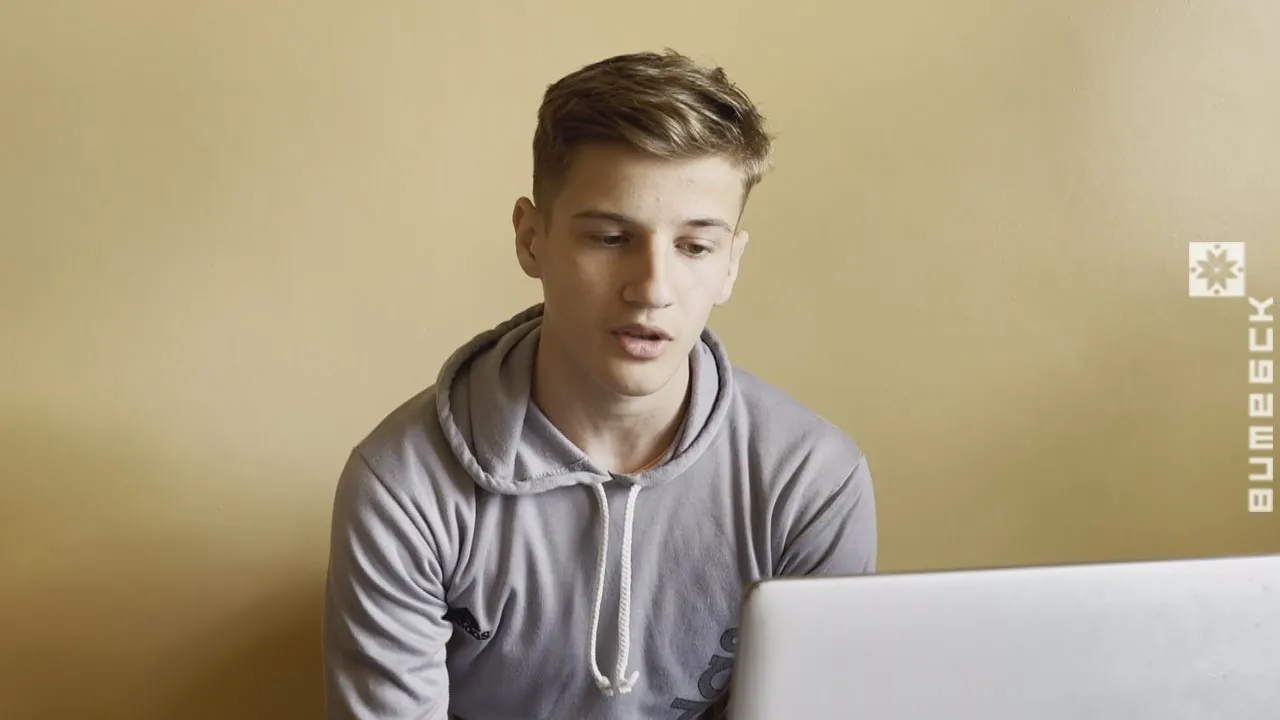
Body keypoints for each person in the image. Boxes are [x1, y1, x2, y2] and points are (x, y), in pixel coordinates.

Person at [322, 48, 878, 720]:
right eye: (611, 238)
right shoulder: (403, 484)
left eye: (695, 247)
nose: (651, 289)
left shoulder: (812, 482)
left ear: (731, 264)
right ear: (532, 239)